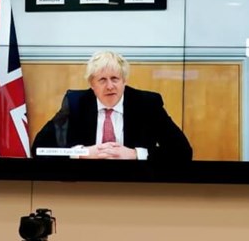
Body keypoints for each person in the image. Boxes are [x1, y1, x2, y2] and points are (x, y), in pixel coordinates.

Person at [32, 51, 192, 161]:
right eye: (102, 80)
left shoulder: (147, 104)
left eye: (115, 78)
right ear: (92, 84)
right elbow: (39, 148)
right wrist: (82, 152)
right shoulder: (76, 103)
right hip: (85, 184)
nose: (110, 86)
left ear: (124, 81)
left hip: (135, 184)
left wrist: (135, 154)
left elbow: (182, 151)